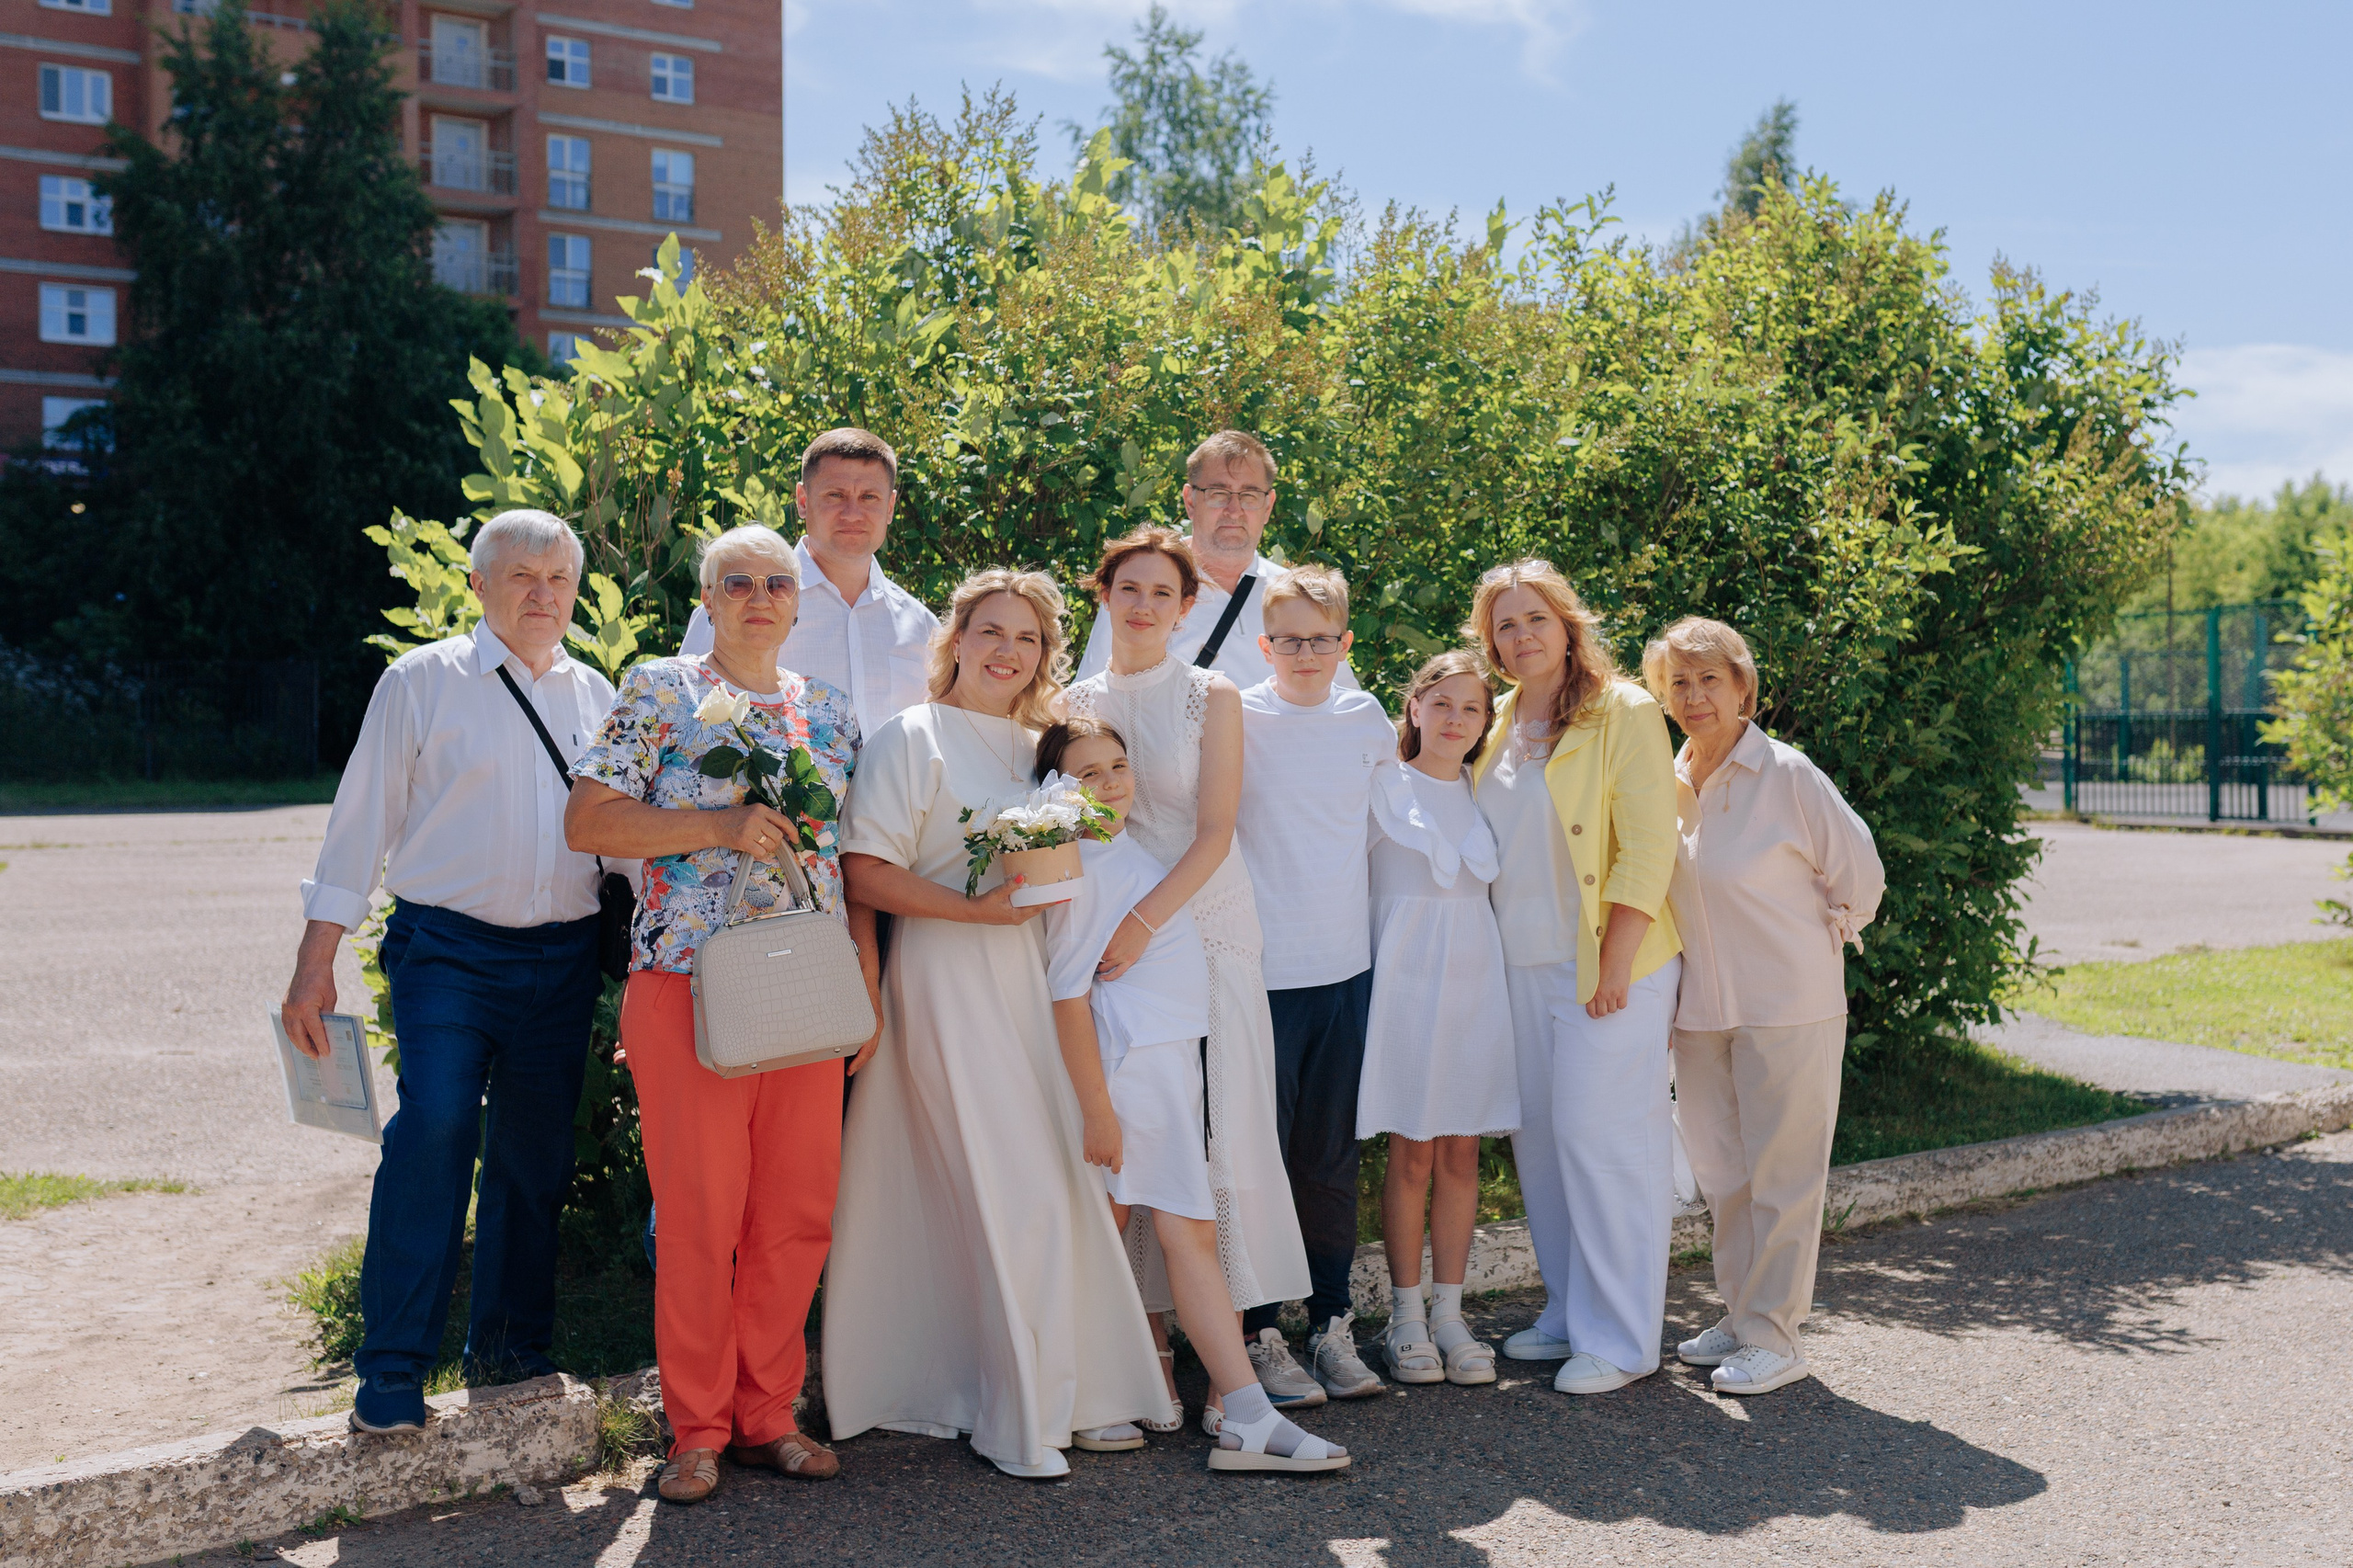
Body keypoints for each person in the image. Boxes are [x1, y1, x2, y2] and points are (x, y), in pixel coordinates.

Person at [824, 569, 1173, 1480]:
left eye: (1024, 637)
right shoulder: (914, 735)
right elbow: (863, 869)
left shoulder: (1040, 748)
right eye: (988, 631)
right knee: (1003, 1182)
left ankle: (1077, 1386)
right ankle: (1015, 1409)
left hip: (1042, 983)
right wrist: (974, 911)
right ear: (957, 638)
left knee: (1057, 1181)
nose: (1005, 650)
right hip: (947, 976)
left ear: (1043, 654)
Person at [282, 508, 616, 1434]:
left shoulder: (598, 694)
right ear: (479, 586)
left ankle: (509, 1353)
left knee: (534, 1157)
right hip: (447, 953)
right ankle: (392, 1364)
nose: (543, 593)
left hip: (565, 953)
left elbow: (622, 838)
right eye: (522, 575)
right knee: (431, 1130)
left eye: (558, 577)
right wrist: (316, 962)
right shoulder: (420, 681)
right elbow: (360, 822)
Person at [566, 526, 870, 1503]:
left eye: (777, 581)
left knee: (794, 1213)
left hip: (802, 990)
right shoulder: (658, 690)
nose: (758, 595)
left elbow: (843, 862)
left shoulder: (829, 711)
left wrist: (864, 985)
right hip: (687, 985)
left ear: (798, 599)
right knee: (701, 1219)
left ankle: (767, 1415)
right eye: (736, 581)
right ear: (708, 595)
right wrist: (717, 824)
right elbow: (588, 819)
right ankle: (694, 1428)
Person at [1038, 718, 1349, 1472]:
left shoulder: (1123, 851)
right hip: (1132, 1071)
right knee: (1125, 1234)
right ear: (1053, 791)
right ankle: (1100, 1401)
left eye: (1118, 765)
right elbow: (1067, 996)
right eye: (1088, 775)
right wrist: (1099, 1110)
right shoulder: (1082, 864)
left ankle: (1211, 1408)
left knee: (1164, 1236)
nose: (1111, 782)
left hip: (1168, 1066)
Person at [1061, 527, 1314, 1428]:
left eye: (1161, 593)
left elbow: (1213, 830)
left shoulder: (1212, 695)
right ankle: (1148, 1353)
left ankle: (1233, 1361)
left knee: (1211, 1138)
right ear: (1104, 594)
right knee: (1135, 1133)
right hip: (1109, 940)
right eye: (1127, 588)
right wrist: (1106, 931)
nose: (1142, 606)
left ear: (1184, 605)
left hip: (1198, 925)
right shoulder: (1071, 700)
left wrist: (1140, 922)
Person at [1643, 617, 1884, 1397]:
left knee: (1783, 1174)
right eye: (1678, 681)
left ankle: (1776, 1336)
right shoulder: (1669, 779)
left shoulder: (1788, 774)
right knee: (1723, 1173)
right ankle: (1743, 1313)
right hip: (1701, 1011)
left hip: (1788, 1006)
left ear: (1743, 687)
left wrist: (1815, 943)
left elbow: (1861, 875)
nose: (1694, 695)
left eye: (1710, 679)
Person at [1466, 559, 1684, 1396]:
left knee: (1606, 1144)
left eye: (1535, 620)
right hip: (1519, 963)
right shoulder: (1493, 721)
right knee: (1546, 1146)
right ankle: (1568, 1313)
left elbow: (1648, 843)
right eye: (1505, 625)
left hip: (1608, 961)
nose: (1521, 637)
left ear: (1569, 625)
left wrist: (1618, 961)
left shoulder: (1622, 709)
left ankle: (1624, 1339)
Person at [1230, 566, 1397, 1400]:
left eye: (1320, 639)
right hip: (1258, 977)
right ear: (1264, 645)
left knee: (1329, 1160)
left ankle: (1332, 1324)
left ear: (1345, 645)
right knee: (1255, 1160)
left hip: (1344, 971)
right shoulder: (1236, 716)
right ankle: (1259, 1334)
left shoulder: (1366, 718)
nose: (1304, 652)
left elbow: (1386, 830)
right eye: (1288, 639)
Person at [1358, 650, 1518, 1389]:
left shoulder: (1486, 793)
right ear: (1415, 706)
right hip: (1405, 984)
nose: (1457, 719)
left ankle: (1452, 1314)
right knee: (1412, 1153)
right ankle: (1406, 1316)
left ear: (1486, 725)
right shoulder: (1379, 785)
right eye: (1443, 703)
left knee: (1461, 1154)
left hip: (1473, 983)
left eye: (1473, 709)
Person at [679, 427, 938, 738]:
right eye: (835, 495)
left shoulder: (922, 626)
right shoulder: (738, 604)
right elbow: (684, 720)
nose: (852, 513)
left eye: (869, 497)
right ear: (803, 500)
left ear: (891, 507)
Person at [1072, 430, 1357, 692]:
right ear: (1190, 500)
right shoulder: (1143, 588)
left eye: (1249, 495)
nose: (1234, 510)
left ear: (1268, 506)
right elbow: (1092, 696)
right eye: (1219, 494)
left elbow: (1344, 701)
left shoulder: (1299, 596)